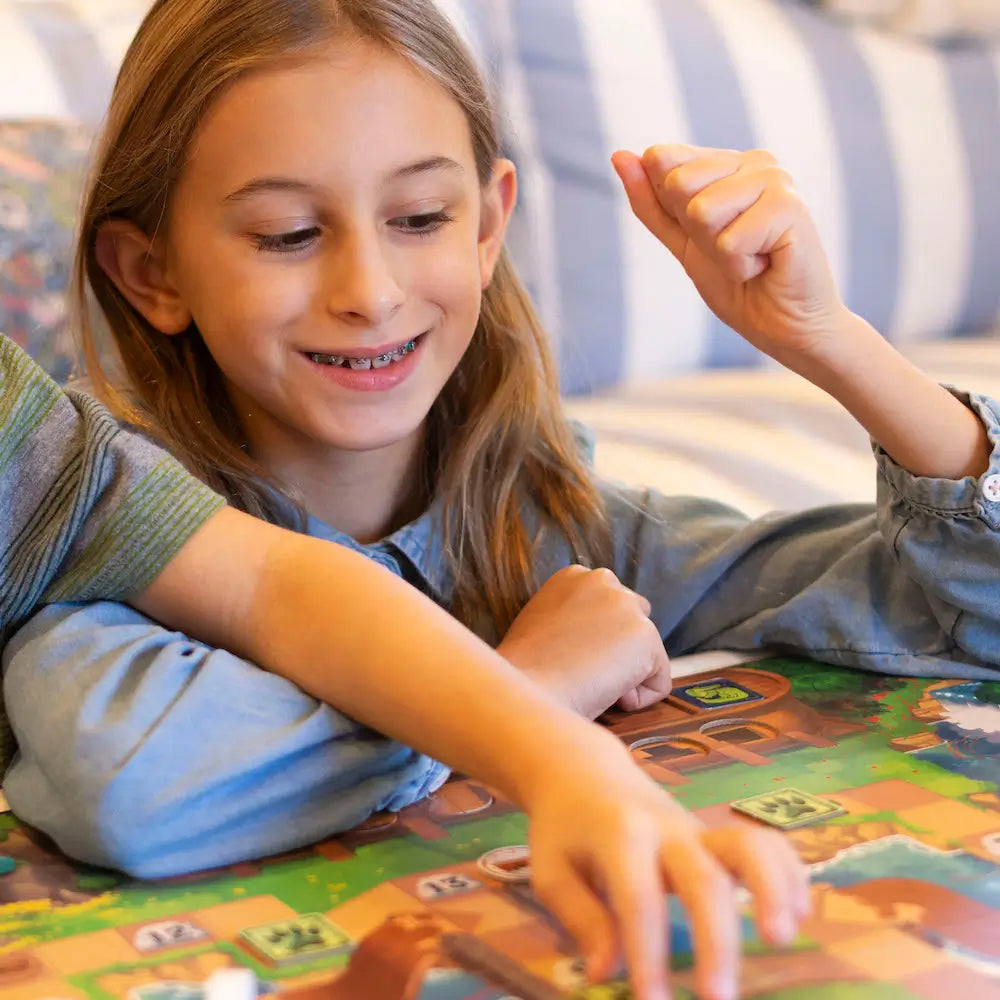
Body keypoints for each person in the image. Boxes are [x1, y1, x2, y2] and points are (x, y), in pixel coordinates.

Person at [4, 0, 999, 995]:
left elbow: (959, 614)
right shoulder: (104, 533)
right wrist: (529, 686)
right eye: (289, 233)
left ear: (486, 226)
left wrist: (831, 341)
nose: (371, 288)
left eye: (420, 218)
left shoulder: (555, 524)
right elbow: (138, 786)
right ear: (151, 273)